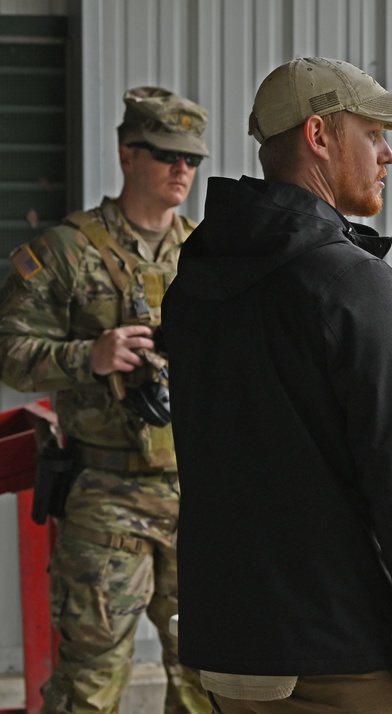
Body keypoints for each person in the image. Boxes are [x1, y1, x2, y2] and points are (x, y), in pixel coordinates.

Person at [160, 57, 392, 714]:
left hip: (228, 657)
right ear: (319, 136)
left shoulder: (195, 283)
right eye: (373, 134)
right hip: (339, 657)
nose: (388, 154)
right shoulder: (350, 283)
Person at [0, 87, 212, 713]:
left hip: (196, 498)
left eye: (192, 159)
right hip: (105, 501)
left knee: (209, 682)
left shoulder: (208, 254)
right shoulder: (66, 251)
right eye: (167, 155)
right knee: (88, 688)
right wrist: (85, 357)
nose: (182, 171)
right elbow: (8, 349)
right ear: (127, 154)